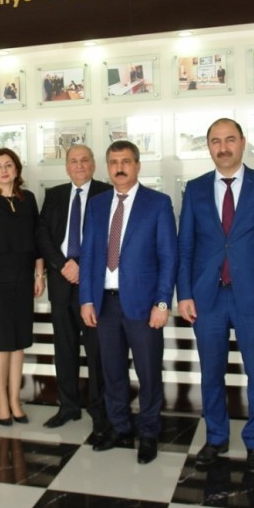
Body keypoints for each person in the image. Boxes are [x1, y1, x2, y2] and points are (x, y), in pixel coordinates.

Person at [177, 118, 254, 474]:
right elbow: (186, 247)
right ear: (208, 146)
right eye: (216, 141)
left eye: (230, 140)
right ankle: (216, 437)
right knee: (211, 373)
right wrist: (184, 293)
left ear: (242, 142)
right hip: (207, 298)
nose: (223, 147)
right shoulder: (195, 189)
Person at [79, 140, 178, 465]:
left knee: (148, 372)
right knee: (113, 371)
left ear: (137, 165)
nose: (119, 168)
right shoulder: (97, 205)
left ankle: (149, 432)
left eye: (125, 162)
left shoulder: (157, 203)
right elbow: (89, 255)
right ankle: (120, 427)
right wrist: (86, 300)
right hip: (104, 304)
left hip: (144, 306)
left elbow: (168, 257)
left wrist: (162, 304)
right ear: (108, 167)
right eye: (114, 162)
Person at [36, 145, 112, 436]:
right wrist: (62, 264)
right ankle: (68, 406)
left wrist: (81, 266)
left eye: (84, 160)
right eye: (73, 161)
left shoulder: (107, 193)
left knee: (97, 351)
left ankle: (99, 409)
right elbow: (42, 235)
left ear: (93, 164)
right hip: (60, 283)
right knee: (64, 348)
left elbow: (111, 238)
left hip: (92, 286)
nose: (79, 165)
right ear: (67, 166)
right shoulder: (54, 195)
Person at [0, 148, 45, 425]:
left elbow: (37, 240)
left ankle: (15, 399)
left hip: (23, 280)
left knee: (19, 343)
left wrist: (39, 275)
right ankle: (1, 398)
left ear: (16, 169)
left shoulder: (28, 199)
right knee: (1, 343)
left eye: (8, 165)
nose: (4, 170)